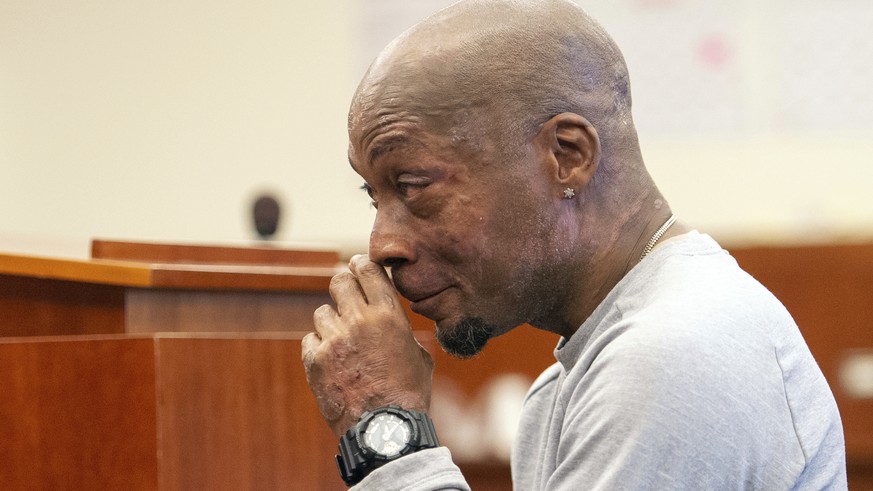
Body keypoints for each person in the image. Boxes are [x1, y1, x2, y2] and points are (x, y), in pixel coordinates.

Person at [301, 0, 847, 489]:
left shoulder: (674, 353)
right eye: (375, 198)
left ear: (568, 156)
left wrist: (386, 431)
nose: (381, 245)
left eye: (414, 186)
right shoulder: (571, 380)